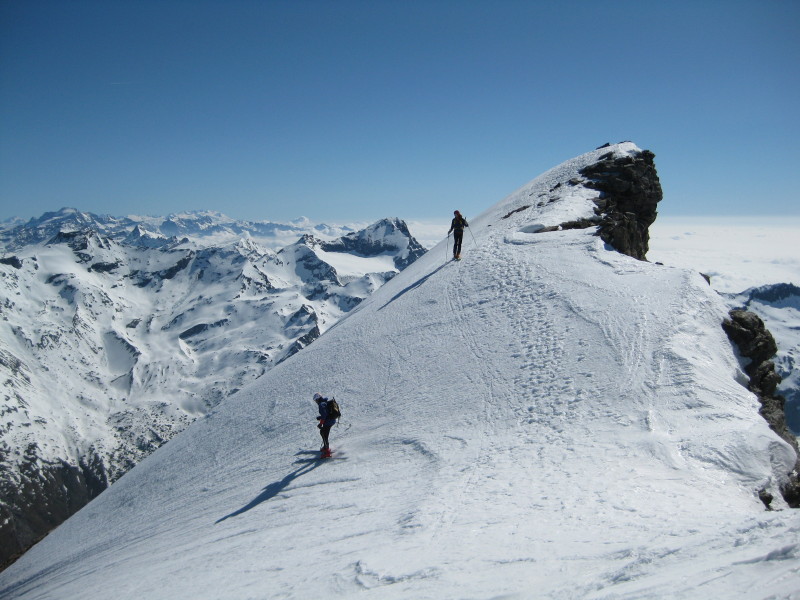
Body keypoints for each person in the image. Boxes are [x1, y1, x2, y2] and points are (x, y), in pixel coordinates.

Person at [313, 393, 337, 457]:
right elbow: (326, 413)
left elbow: (324, 415)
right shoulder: (324, 402)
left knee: (324, 433)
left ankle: (327, 451)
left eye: (316, 400)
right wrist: (320, 418)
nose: (316, 402)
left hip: (328, 421)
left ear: (318, 399)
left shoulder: (321, 404)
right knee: (323, 432)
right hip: (331, 420)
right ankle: (326, 447)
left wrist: (320, 424)